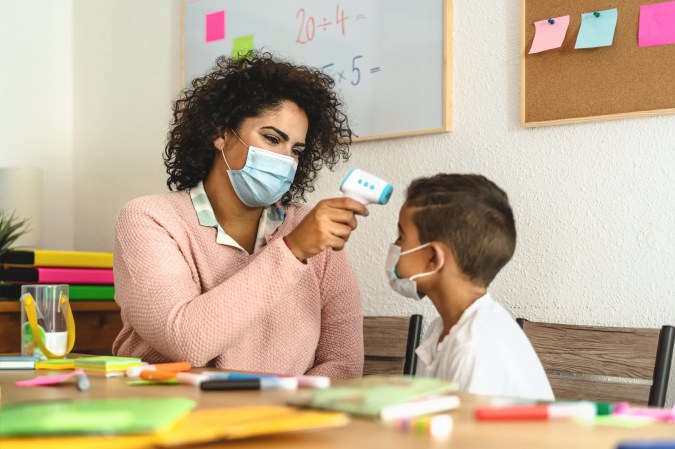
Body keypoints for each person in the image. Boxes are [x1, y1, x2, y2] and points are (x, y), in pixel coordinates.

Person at [112, 52, 367, 378]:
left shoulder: (312, 229)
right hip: (177, 419)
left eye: (296, 150)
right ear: (221, 132)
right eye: (272, 138)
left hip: (285, 420)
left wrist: (282, 413)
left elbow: (344, 364)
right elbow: (185, 340)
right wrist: (292, 250)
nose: (286, 159)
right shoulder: (149, 219)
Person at [386, 174, 554, 400]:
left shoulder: (475, 347)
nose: (395, 246)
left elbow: (467, 434)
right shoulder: (441, 330)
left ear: (433, 259)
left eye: (401, 236)